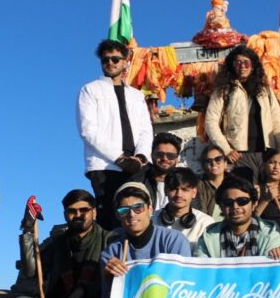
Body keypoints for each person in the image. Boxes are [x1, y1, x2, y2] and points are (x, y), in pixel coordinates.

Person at [77, 39, 153, 229]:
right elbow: (88, 130)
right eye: (105, 60)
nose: (110, 63)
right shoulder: (90, 90)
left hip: (137, 165)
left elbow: (145, 129)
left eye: (115, 59)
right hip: (105, 165)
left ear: (125, 61)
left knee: (137, 216)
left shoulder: (136, 95)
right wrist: (120, 159)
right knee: (109, 218)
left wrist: (141, 157)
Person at [100, 182, 192, 298]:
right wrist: (108, 278)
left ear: (150, 209)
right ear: (117, 215)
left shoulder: (174, 240)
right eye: (124, 210)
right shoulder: (112, 252)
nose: (131, 214)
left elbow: (184, 286)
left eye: (138, 207)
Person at [204, 45, 280, 178]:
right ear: (232, 66)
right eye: (237, 63)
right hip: (239, 155)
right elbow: (210, 122)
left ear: (253, 66)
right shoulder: (224, 90)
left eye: (246, 63)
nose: (242, 66)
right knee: (242, 194)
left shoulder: (265, 91)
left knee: (265, 194)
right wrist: (227, 149)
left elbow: (278, 123)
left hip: (266, 154)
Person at [195, 175, 280, 259]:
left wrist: (278, 255)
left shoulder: (271, 235)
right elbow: (202, 270)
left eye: (242, 201)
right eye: (228, 203)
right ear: (221, 207)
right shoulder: (208, 238)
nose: (235, 207)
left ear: (254, 204)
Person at [152, 168, 215, 247]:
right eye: (174, 189)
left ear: (194, 192)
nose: (179, 195)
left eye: (185, 190)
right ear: (165, 191)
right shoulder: (151, 220)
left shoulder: (205, 223)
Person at [131, 132, 182, 210]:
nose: (164, 158)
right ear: (151, 155)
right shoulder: (136, 182)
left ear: (177, 159)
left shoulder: (184, 183)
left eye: (170, 156)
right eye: (159, 154)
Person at [196, 142, 228, 219]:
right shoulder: (198, 185)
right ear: (204, 166)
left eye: (218, 159)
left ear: (225, 163)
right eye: (208, 160)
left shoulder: (235, 183)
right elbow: (201, 212)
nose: (213, 163)